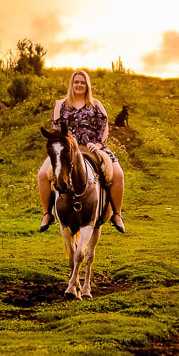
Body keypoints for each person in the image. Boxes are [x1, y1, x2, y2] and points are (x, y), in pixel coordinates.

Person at [38, 69, 126, 233]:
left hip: (92, 146)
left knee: (118, 175)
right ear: (71, 84)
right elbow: (55, 128)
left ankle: (117, 214)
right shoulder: (61, 105)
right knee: (42, 175)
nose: (79, 85)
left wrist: (99, 144)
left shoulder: (96, 104)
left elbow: (104, 126)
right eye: (76, 82)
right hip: (66, 149)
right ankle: (47, 213)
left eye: (82, 82)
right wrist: (65, 144)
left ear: (87, 85)